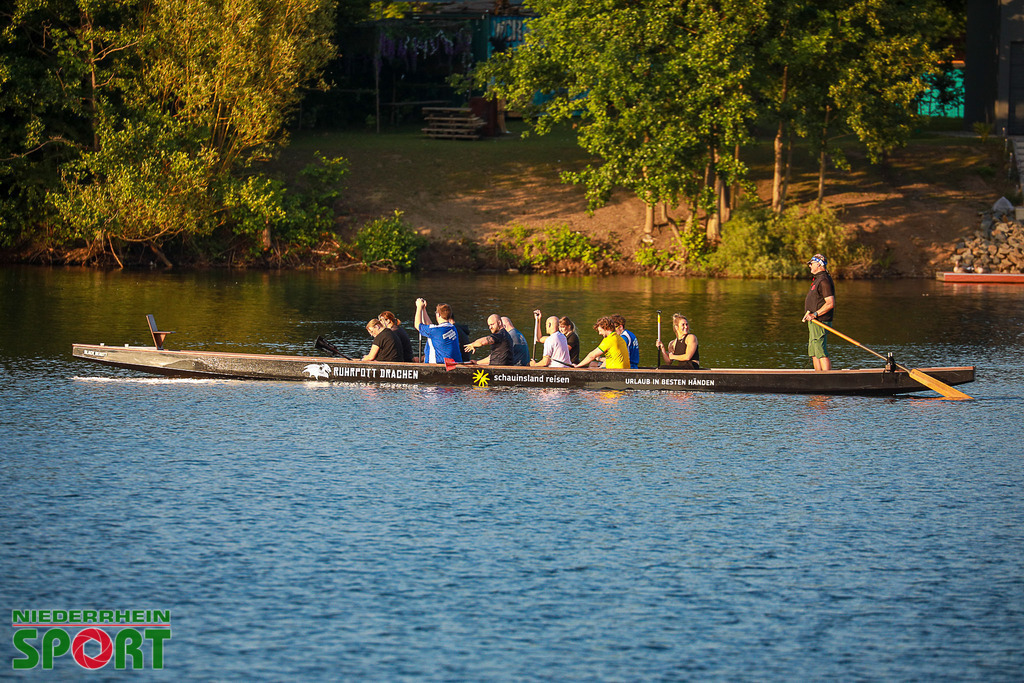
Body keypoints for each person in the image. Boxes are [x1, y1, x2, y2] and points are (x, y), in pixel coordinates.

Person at [801, 253, 835, 371]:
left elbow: (830, 303)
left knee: (820, 351)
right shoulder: (817, 279)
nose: (809, 266)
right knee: (814, 352)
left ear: (819, 265)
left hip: (820, 321)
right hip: (813, 321)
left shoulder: (824, 280)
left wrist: (815, 314)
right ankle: (818, 376)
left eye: (812, 263)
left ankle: (827, 378)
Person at [414, 298, 461, 364]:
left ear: (438, 314)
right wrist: (423, 309)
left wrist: (419, 307)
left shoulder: (435, 331)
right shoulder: (452, 328)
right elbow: (430, 326)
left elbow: (417, 325)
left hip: (436, 365)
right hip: (452, 364)